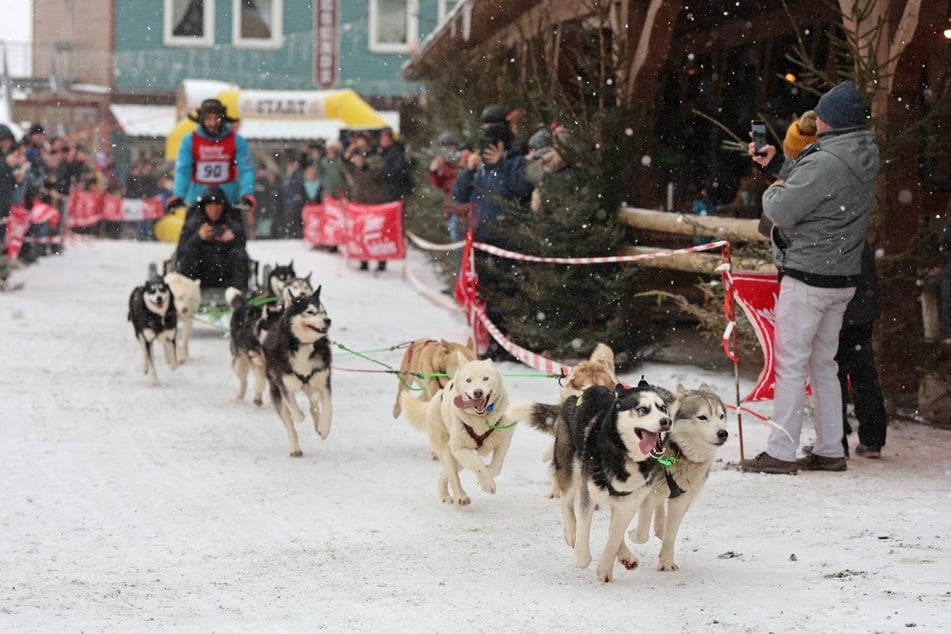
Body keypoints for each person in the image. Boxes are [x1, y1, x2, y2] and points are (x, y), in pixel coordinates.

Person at [743, 80, 880, 474]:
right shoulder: (862, 152)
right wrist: (779, 167)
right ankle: (830, 448)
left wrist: (774, 188)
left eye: (820, 114)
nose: (815, 119)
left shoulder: (823, 161)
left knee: (790, 364)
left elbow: (783, 210)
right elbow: (825, 184)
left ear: (831, 122)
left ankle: (780, 453)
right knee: (825, 364)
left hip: (807, 276)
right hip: (842, 278)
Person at [167, 98, 256, 229]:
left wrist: (247, 194)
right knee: (191, 241)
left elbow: (246, 169)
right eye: (208, 119)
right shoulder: (189, 140)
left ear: (223, 119)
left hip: (228, 201)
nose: (212, 123)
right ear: (201, 120)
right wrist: (178, 195)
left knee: (234, 240)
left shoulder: (236, 140)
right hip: (197, 201)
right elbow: (183, 170)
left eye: (216, 118)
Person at [174, 185, 250, 290]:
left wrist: (229, 241)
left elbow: (242, 246)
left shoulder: (232, 221)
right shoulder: (194, 222)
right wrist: (198, 237)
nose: (214, 208)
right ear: (204, 206)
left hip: (225, 274)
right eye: (209, 204)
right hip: (200, 274)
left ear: (223, 206)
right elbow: (182, 252)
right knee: (189, 258)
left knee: (239, 255)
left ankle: (238, 294)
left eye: (217, 204)